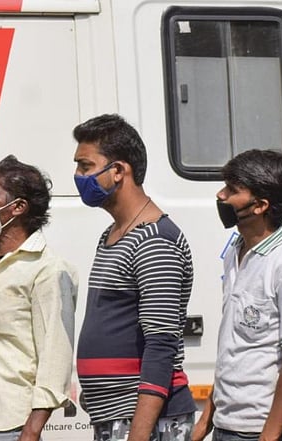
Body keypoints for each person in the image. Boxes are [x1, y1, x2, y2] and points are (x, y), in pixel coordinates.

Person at [72, 114, 195, 441]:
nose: (78, 176)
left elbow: (161, 344)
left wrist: (139, 434)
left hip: (145, 423)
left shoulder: (155, 241)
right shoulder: (112, 236)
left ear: (118, 171)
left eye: (85, 166)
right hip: (115, 417)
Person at [0, 155, 78, 441]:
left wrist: (32, 430)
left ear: (18, 207)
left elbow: (56, 355)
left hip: (5, 423)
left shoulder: (48, 269)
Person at [193, 150, 282, 441]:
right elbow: (235, 344)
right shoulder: (234, 251)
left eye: (232, 190)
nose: (221, 195)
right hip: (227, 425)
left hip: (262, 430)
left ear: (260, 206)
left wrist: (269, 435)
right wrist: (207, 417)